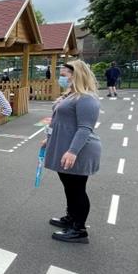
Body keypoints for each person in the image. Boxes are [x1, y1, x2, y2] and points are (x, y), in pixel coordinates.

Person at [41, 60, 101, 243]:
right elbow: (59, 121)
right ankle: (71, 217)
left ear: (76, 75)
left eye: (64, 74)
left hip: (79, 150)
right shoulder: (71, 96)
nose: (60, 77)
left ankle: (79, 229)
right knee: (69, 186)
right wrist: (48, 139)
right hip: (64, 147)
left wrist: (73, 151)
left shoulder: (86, 98)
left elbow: (84, 128)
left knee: (77, 189)